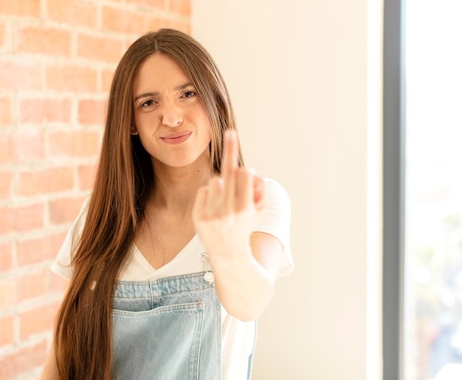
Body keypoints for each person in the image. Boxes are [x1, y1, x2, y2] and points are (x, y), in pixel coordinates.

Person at [41, 28, 293, 380]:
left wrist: (227, 249)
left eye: (187, 94)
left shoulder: (257, 200)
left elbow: (250, 303)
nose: (172, 117)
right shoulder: (100, 217)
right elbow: (64, 351)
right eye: (149, 102)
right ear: (130, 122)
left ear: (214, 100)